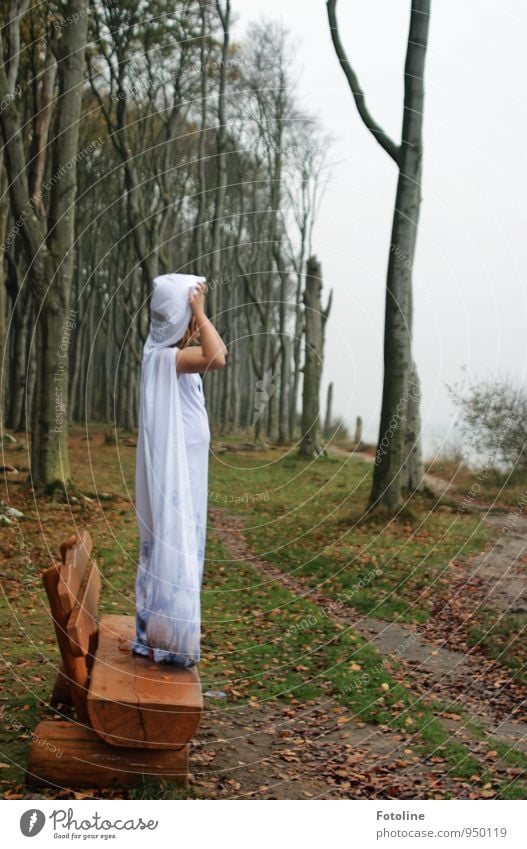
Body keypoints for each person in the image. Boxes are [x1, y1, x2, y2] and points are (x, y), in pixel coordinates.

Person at [132, 273, 227, 667]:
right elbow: (218, 356)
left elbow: (212, 353)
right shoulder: (165, 357)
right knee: (172, 548)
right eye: (186, 313)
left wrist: (196, 311)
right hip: (177, 480)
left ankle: (163, 635)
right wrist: (199, 310)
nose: (194, 323)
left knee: (182, 548)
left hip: (188, 477)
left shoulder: (171, 357)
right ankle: (166, 638)